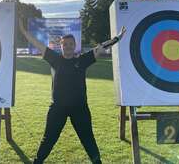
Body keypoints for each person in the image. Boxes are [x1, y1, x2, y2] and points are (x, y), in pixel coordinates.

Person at [18, 19, 126, 164]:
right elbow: (38, 44)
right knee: (49, 138)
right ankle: (37, 161)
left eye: (70, 44)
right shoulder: (54, 59)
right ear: (60, 46)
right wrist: (24, 32)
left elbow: (102, 47)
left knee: (87, 138)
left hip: (79, 108)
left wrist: (117, 38)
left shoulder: (82, 60)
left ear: (75, 46)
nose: (68, 47)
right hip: (57, 108)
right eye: (65, 44)